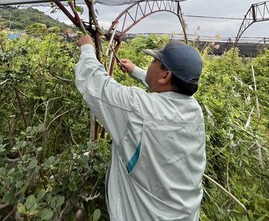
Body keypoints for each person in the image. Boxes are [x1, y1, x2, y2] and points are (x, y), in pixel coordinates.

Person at [75, 36, 206, 221]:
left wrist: (87, 48)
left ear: (166, 75)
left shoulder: (136, 109)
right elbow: (167, 91)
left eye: (154, 61)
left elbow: (96, 83)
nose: (151, 64)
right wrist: (135, 71)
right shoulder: (193, 110)